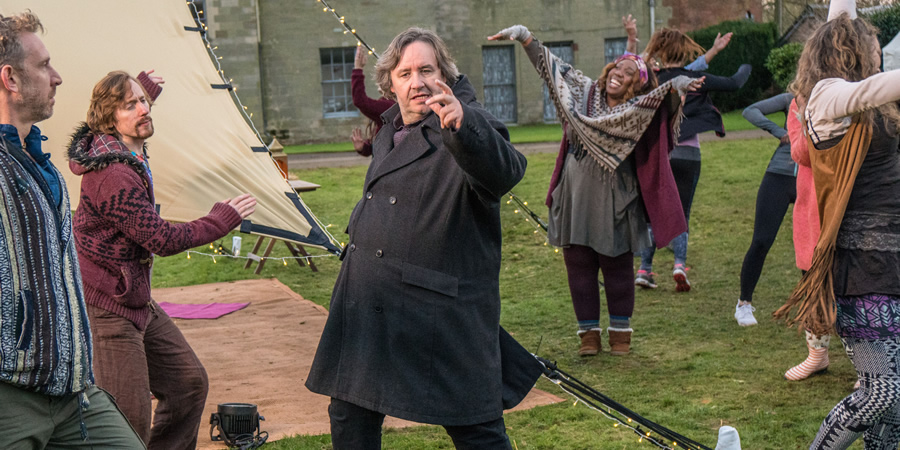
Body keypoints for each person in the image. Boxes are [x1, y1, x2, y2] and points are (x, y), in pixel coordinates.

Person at [305, 27, 541, 449]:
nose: (417, 82)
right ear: (389, 83)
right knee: (349, 412)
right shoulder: (392, 127)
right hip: (370, 305)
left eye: (426, 70)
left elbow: (506, 171)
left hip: (437, 312)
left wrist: (463, 126)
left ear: (444, 76)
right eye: (405, 72)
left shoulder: (464, 119)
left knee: (474, 428)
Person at [67, 70, 257, 449]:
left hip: (135, 298)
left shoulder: (122, 148)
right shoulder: (113, 174)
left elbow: (124, 117)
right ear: (110, 119)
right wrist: (220, 220)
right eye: (130, 105)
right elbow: (161, 238)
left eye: (144, 102)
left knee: (187, 383)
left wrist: (139, 94)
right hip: (106, 307)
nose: (142, 109)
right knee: (127, 423)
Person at [489, 25, 700, 357]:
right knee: (578, 265)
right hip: (574, 194)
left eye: (629, 72)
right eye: (617, 67)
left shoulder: (638, 112)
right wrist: (525, 37)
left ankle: (620, 335)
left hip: (617, 197)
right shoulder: (583, 92)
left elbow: (667, 102)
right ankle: (588, 335)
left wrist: (679, 85)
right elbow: (551, 67)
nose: (619, 73)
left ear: (639, 84)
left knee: (616, 266)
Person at [0, 10, 144, 448]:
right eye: (44, 66)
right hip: (10, 398)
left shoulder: (41, 162)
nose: (57, 77)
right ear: (10, 78)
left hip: (74, 393)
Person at [775, 0, 900, 446]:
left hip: (894, 261)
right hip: (861, 266)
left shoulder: (879, 105)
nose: (878, 53)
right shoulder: (825, 101)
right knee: (881, 390)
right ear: (849, 52)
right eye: (872, 46)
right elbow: (865, 87)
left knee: (897, 401)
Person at [637, 28, 751, 292]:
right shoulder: (694, 77)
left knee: (651, 211)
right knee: (681, 211)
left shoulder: (651, 81)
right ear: (685, 50)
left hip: (658, 154)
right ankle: (679, 265)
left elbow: (636, 71)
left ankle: (644, 269)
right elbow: (734, 82)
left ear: (659, 51)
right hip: (688, 154)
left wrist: (647, 52)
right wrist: (747, 65)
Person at [733, 93, 797, 327]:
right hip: (779, 175)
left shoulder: (836, 96)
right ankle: (743, 304)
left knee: (812, 246)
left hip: (813, 178)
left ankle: (814, 305)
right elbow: (750, 110)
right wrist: (780, 132)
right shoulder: (792, 97)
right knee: (761, 241)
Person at [350, 46, 395, 157]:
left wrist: (358, 68)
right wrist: (364, 148)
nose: (378, 82)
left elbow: (360, 100)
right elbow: (380, 143)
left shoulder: (389, 106)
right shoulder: (388, 104)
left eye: (382, 79)